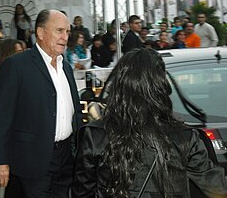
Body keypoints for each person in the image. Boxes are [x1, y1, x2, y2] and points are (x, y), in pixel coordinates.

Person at [72, 48, 227, 198]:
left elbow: (82, 191)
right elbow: (216, 188)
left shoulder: (95, 135)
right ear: (161, 86)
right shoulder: (185, 138)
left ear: (119, 86)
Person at [0, 9, 83, 198]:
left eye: (67, 32)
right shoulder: (17, 66)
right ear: (40, 33)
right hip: (33, 157)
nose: (65, 37)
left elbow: (74, 110)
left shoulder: (66, 66)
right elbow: (1, 117)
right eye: (59, 30)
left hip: (66, 156)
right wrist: (0, 160)